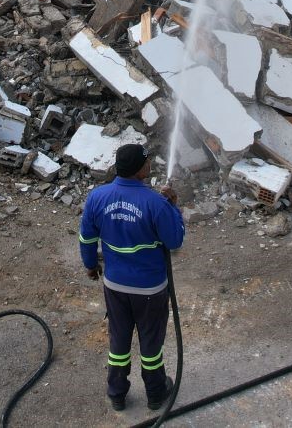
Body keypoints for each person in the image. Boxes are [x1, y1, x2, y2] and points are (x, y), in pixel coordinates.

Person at [79, 143, 185, 413]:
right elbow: (174, 241)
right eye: (147, 162)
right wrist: (173, 206)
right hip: (150, 289)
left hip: (115, 285)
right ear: (141, 170)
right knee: (150, 344)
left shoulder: (97, 197)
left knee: (119, 341)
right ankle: (156, 393)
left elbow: (87, 237)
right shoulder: (156, 203)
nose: (150, 165)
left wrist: (91, 264)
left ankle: (117, 394)